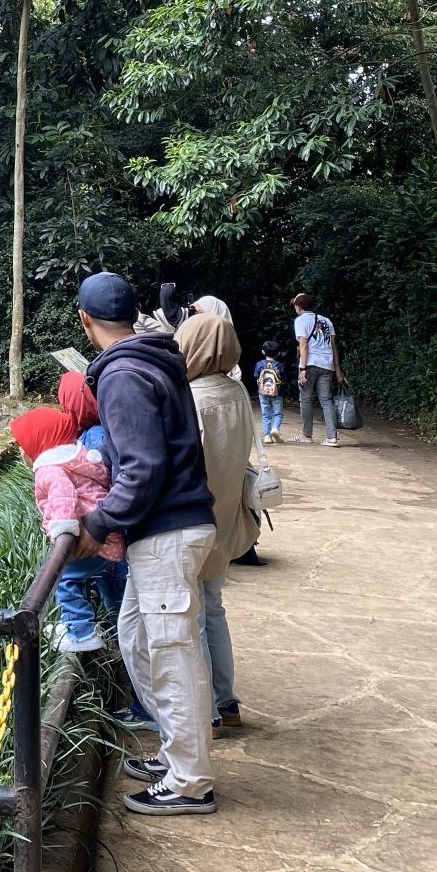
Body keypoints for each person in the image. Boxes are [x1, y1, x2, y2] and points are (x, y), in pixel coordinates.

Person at [71, 272, 220, 816]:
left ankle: (190, 782)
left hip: (165, 532)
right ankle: (177, 753)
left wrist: (97, 522)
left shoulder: (122, 374)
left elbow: (142, 468)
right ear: (135, 313)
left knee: (173, 653)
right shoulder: (153, 358)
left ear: (84, 320)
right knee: (136, 637)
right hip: (169, 529)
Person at [175, 313, 263, 731]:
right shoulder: (237, 391)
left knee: (191, 617)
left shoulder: (191, 398)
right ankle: (226, 702)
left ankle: (206, 711)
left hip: (193, 518)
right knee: (213, 608)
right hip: (226, 514)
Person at [10, 405, 124, 654]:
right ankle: (94, 629)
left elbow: (63, 497)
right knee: (99, 587)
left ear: (38, 444)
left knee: (62, 578)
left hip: (94, 541)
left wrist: (63, 532)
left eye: (23, 445)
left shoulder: (50, 469)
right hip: (110, 538)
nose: (20, 451)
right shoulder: (74, 461)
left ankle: (80, 632)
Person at [291, 292, 345, 447]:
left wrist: (302, 369)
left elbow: (304, 346)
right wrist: (338, 369)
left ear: (298, 306)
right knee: (326, 400)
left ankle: (306, 435)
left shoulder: (301, 320)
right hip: (327, 365)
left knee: (305, 399)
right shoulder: (327, 320)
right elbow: (333, 346)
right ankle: (332, 438)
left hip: (310, 364)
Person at [187, 295, 241, 383]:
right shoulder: (190, 338)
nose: (196, 317)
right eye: (194, 312)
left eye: (199, 312)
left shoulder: (231, 368)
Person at [254, 340, 288, 445]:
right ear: (278, 353)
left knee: (266, 415)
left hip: (263, 393)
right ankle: (275, 429)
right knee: (278, 413)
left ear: (263, 352)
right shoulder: (279, 365)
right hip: (277, 393)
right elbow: (284, 378)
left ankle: (267, 436)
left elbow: (256, 376)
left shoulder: (259, 364)